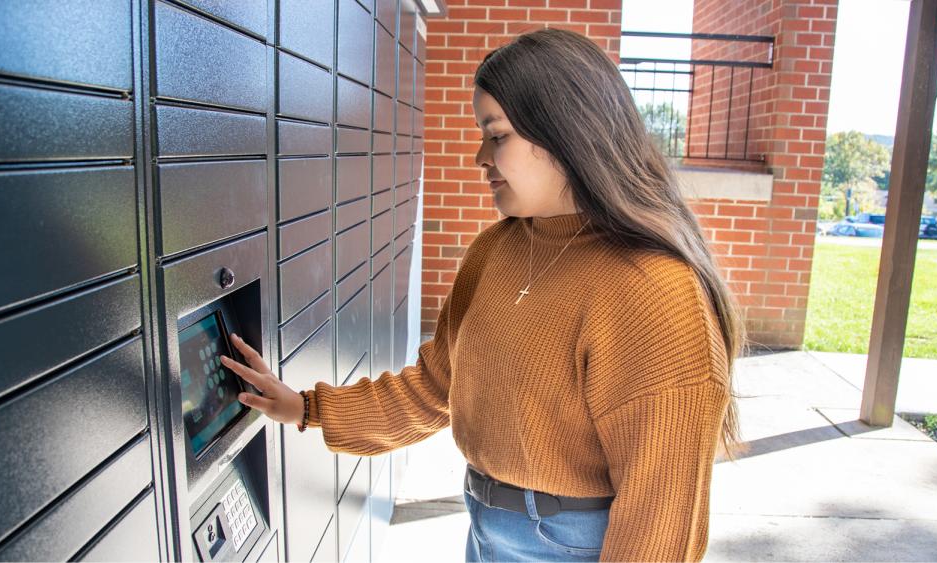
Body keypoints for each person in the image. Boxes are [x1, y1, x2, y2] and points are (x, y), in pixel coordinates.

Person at [221, 27, 743, 562]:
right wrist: (307, 408)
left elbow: (662, 513)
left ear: (566, 133)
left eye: (497, 136)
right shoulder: (497, 250)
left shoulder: (654, 290)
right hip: (486, 528)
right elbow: (434, 387)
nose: (479, 157)